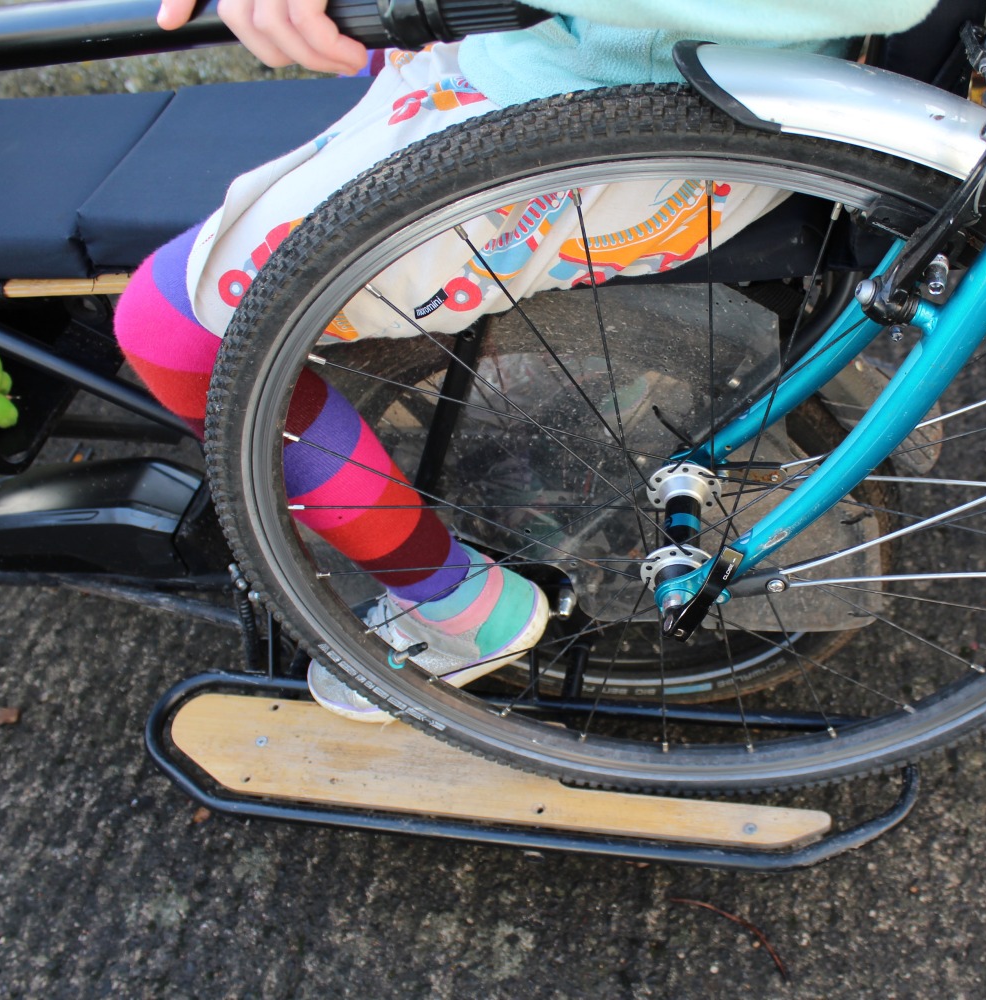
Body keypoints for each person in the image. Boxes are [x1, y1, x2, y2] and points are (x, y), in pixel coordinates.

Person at [115, 0, 939, 722]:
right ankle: (588, 396)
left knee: (173, 334)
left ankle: (460, 608)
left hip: (624, 111)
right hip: (618, 63)